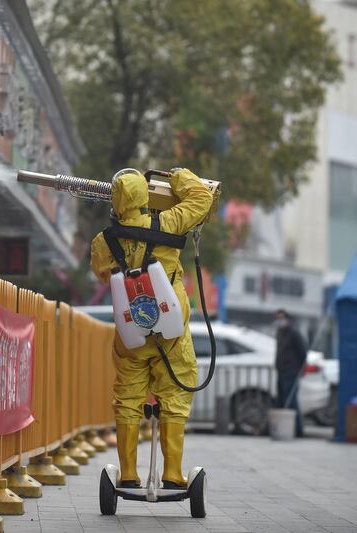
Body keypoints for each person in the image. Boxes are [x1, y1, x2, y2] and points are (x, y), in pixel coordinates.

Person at [90, 168, 213, 489]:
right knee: (175, 392)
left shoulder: (104, 241)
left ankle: (128, 473)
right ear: (145, 197)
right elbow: (202, 198)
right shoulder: (167, 223)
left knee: (128, 398)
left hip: (131, 332)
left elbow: (103, 274)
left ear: (115, 202)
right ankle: (172, 474)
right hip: (171, 333)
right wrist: (180, 177)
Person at [274, 309, 307, 437]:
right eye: (277, 319)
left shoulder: (294, 334)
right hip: (281, 371)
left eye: (281, 318)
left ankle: (299, 430)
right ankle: (285, 429)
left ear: (288, 319)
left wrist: (301, 369)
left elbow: (302, 352)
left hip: (291, 372)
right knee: (282, 401)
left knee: (292, 401)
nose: (279, 321)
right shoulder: (280, 333)